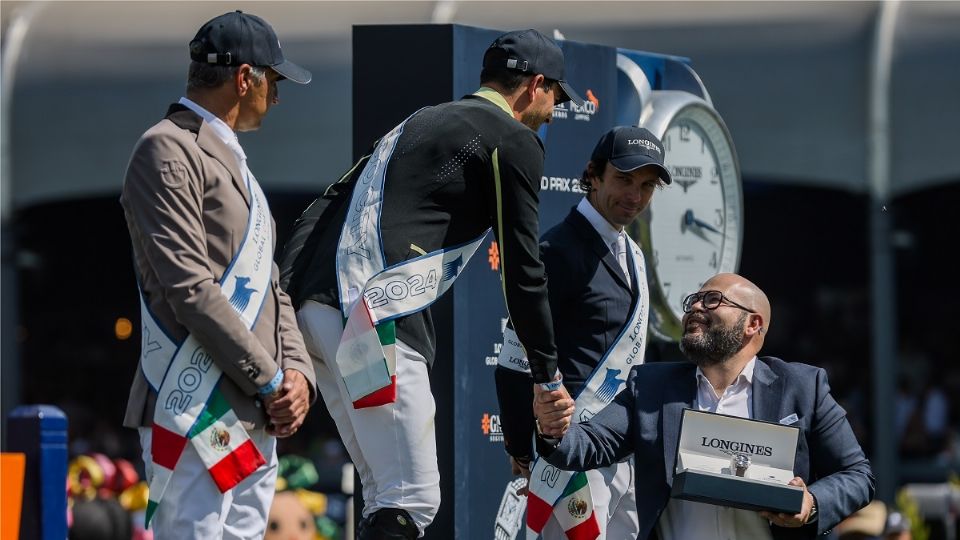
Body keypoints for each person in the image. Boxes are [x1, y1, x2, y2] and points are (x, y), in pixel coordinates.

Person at [278, 29, 583, 539]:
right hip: (373, 323)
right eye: (554, 96)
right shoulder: (514, 140)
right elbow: (524, 269)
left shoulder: (418, 119)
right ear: (534, 86)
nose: (552, 112)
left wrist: (287, 308)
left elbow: (325, 205)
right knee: (411, 497)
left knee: (384, 493)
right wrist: (547, 377)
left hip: (320, 314)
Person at [121, 11, 317, 538]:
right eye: (273, 82)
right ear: (244, 77)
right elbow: (189, 287)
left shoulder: (237, 163)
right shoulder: (164, 148)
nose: (276, 97)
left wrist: (298, 374)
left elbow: (270, 286)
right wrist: (273, 378)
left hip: (255, 411)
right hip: (193, 404)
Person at [534, 273, 875, 539]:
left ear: (752, 324)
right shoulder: (652, 388)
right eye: (693, 300)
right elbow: (588, 444)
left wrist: (811, 504)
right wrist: (553, 428)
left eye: (712, 300)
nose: (695, 308)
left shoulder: (803, 387)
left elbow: (857, 476)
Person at [494, 126, 671, 539]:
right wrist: (521, 446)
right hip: (573, 453)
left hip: (623, 450)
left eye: (647, 186)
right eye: (623, 180)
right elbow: (516, 359)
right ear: (592, 174)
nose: (635, 196)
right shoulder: (557, 251)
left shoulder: (632, 252)